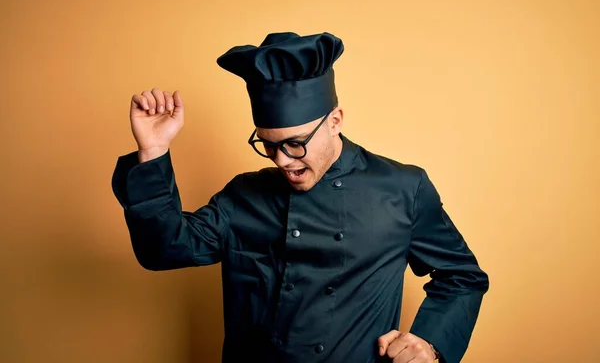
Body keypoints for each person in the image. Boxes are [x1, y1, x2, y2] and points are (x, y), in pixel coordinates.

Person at [111, 32, 489, 363]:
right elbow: (163, 250)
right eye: (268, 145)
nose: (282, 160)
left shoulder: (403, 188)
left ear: (335, 121)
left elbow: (462, 276)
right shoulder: (243, 195)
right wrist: (154, 151)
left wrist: (430, 343)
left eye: (295, 143)